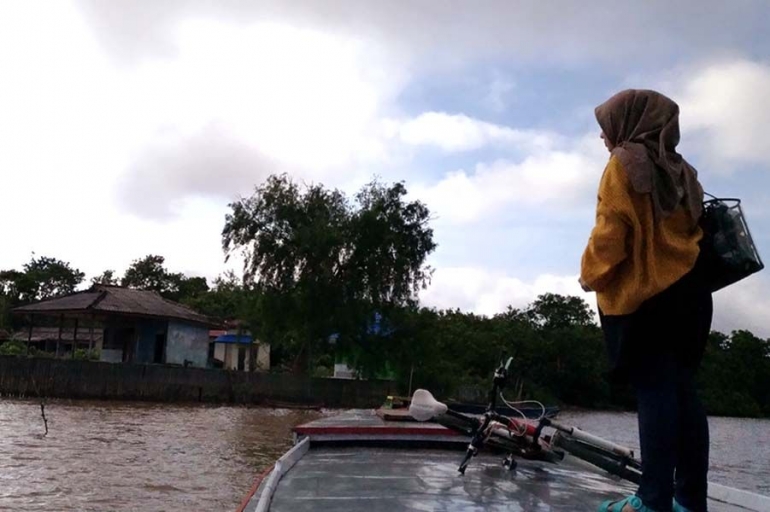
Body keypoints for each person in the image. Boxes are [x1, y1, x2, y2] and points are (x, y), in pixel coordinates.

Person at [579, 89, 713, 512]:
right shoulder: (683, 170)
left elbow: (610, 233)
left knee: (654, 394)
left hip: (649, 299)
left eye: (606, 126)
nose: (603, 136)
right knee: (684, 396)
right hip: (692, 295)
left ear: (629, 122)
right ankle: (689, 500)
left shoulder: (624, 164)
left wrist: (590, 274)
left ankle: (653, 500)